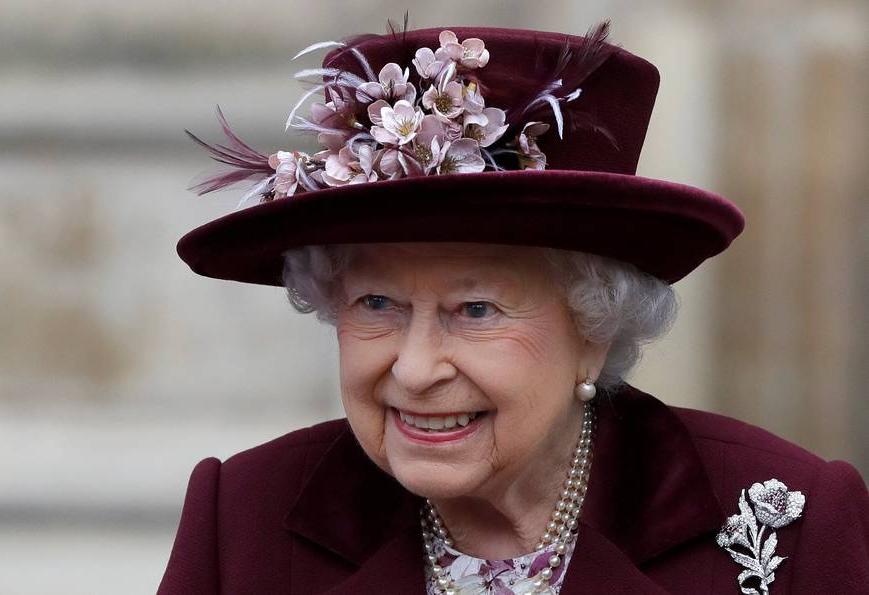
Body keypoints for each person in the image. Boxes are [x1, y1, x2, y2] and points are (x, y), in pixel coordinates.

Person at [158, 21, 869, 595]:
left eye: (475, 308)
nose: (414, 367)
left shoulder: (789, 522)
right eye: (376, 301)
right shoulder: (244, 517)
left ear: (595, 330)